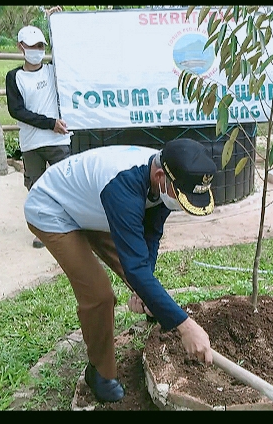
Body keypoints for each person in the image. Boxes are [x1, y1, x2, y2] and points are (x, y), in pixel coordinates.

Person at [23, 139, 218, 403]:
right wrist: (186, 326)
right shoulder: (124, 187)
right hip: (53, 208)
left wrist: (142, 290)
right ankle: (100, 373)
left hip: (92, 206)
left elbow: (150, 236)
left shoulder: (167, 172)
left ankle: (156, 308)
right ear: (160, 177)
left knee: (138, 275)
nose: (181, 204)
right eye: (180, 197)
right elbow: (135, 267)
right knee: (99, 294)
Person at [5, 6, 71, 249]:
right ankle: (42, 230)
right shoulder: (15, 77)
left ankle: (67, 223)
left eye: (40, 46)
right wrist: (49, 123)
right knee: (36, 187)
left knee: (65, 183)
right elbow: (17, 110)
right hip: (32, 142)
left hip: (58, 141)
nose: (36, 51)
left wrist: (57, 21)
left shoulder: (55, 70)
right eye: (31, 46)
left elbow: (68, 49)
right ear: (20, 47)